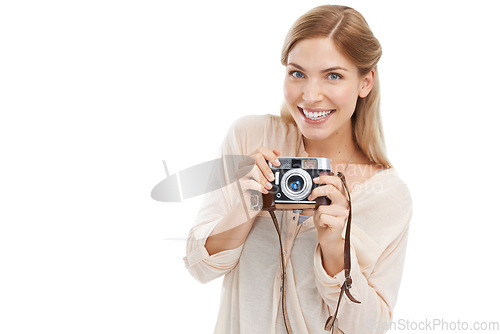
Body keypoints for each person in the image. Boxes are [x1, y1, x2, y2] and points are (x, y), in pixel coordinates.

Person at [183, 5, 412, 334]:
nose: (310, 95)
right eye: (297, 73)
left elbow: (371, 327)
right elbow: (199, 267)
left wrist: (335, 246)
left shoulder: (388, 195)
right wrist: (247, 206)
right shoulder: (251, 137)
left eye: (333, 75)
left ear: (365, 82)